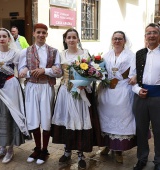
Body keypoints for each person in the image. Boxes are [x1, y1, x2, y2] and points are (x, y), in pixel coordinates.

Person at [51, 28, 103, 169]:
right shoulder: (61, 54)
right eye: (69, 37)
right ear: (65, 40)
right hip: (65, 91)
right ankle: (67, 151)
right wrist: (55, 71)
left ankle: (80, 154)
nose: (72, 40)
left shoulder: (85, 53)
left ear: (78, 39)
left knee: (79, 121)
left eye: (74, 37)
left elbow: (92, 73)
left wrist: (83, 85)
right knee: (67, 121)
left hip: (81, 92)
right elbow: (58, 72)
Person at [18, 23, 62, 165]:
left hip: (46, 87)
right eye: (39, 32)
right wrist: (27, 71)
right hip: (31, 87)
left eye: (44, 32)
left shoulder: (54, 51)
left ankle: (44, 149)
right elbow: (21, 70)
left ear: (47, 34)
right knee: (33, 117)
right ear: (34, 34)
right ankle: (37, 148)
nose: (41, 35)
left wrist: (45, 70)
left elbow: (59, 71)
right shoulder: (25, 51)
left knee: (46, 118)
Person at [0, 28, 29, 163]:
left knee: (9, 115)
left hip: (10, 86)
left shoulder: (16, 53)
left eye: (4, 36)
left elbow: (23, 67)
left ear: (9, 38)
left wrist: (24, 72)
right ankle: (1, 148)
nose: (1, 39)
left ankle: (10, 149)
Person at [97, 31, 136, 163]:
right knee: (105, 119)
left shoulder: (131, 55)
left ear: (124, 41)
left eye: (120, 39)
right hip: (107, 91)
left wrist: (133, 78)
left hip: (123, 89)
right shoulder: (106, 55)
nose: (117, 41)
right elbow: (101, 71)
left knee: (121, 118)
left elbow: (134, 72)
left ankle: (119, 150)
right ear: (112, 40)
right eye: (115, 39)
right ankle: (108, 146)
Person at [132, 23, 160, 170]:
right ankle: (142, 159)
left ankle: (159, 161)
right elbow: (132, 77)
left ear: (159, 35)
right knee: (141, 130)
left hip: (158, 98)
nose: (152, 35)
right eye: (149, 33)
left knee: (159, 130)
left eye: (155, 32)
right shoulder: (139, 54)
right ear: (145, 37)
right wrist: (137, 90)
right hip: (141, 97)